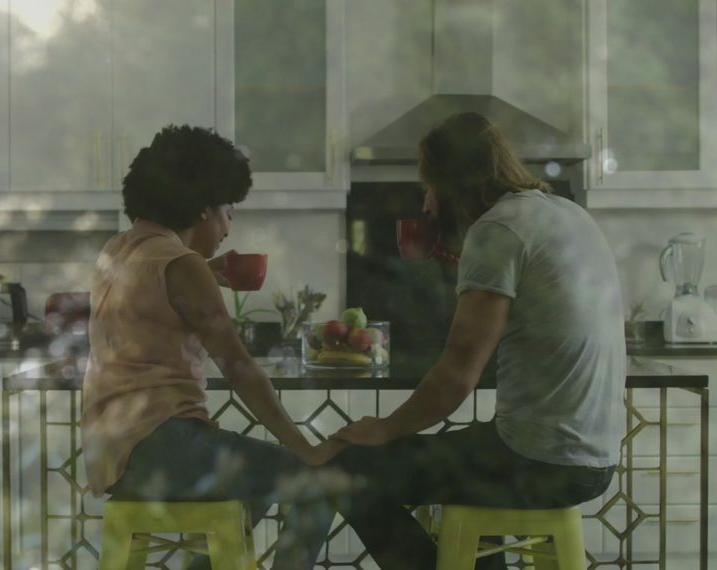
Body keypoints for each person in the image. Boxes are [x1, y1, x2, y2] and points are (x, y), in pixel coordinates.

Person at [328, 112, 626, 570]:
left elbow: (456, 375)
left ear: (450, 183)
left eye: (428, 186)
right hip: (595, 457)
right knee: (470, 468)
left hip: (541, 461)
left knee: (348, 470)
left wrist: (383, 428)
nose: (426, 204)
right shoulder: (563, 211)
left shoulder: (498, 230)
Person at [81, 125, 342, 570]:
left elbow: (155, 296)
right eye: (228, 208)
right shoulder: (181, 265)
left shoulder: (119, 250)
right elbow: (239, 367)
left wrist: (203, 271)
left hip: (110, 451)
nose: (230, 221)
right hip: (161, 442)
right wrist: (304, 447)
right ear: (203, 208)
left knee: (247, 488)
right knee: (313, 482)